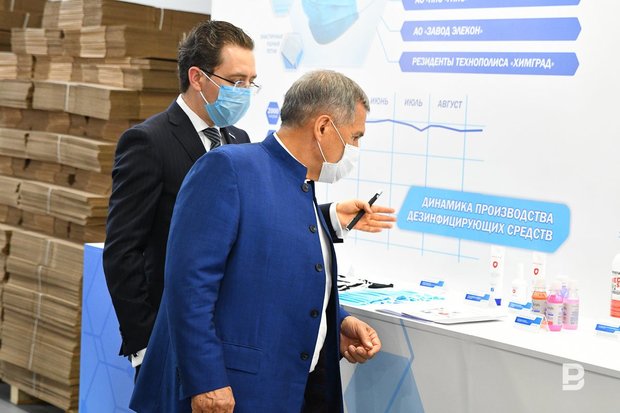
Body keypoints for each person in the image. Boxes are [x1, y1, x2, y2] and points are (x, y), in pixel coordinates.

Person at [129, 69, 396, 413]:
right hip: (234, 391)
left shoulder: (301, 184)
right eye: (355, 136)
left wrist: (335, 322)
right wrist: (206, 381)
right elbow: (189, 286)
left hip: (292, 387)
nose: (355, 148)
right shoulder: (227, 168)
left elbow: (276, 271)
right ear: (323, 127)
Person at [102, 20, 258, 376]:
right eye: (236, 82)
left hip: (226, 335)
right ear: (197, 77)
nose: (246, 92)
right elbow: (122, 251)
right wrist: (144, 343)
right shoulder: (148, 141)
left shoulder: (240, 139)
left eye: (251, 82)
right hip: (167, 337)